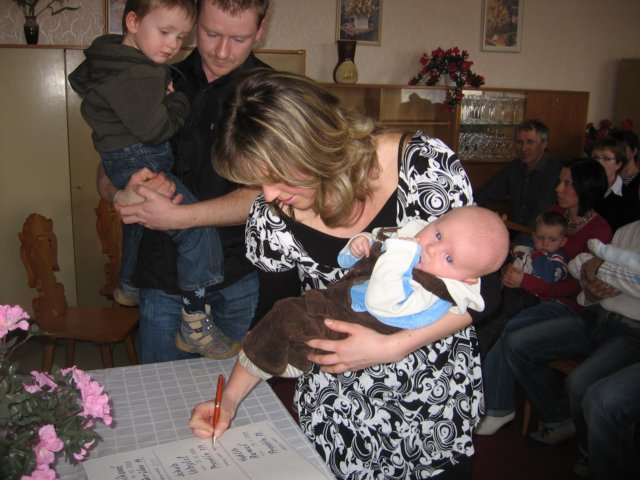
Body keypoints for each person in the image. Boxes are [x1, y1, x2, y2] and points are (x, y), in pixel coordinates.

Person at [190, 69, 502, 479]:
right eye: (257, 182)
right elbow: (274, 319)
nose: (267, 195)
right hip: (340, 420)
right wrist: (228, 401)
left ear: (315, 145)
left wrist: (392, 347)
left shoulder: (421, 166)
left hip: (431, 407)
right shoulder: (271, 219)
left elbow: (488, 288)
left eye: (276, 176)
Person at [96, 0, 271, 363]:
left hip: (238, 276)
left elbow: (271, 194)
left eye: (238, 39)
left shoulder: (273, 93)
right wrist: (118, 194)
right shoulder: (153, 73)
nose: (222, 52)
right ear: (195, 25)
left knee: (232, 391)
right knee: (162, 391)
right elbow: (109, 162)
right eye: (211, 34)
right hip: (162, 278)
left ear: (259, 31)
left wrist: (182, 218)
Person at [222, 206, 508, 391]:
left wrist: (400, 253)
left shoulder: (432, 292)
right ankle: (280, 357)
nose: (432, 249)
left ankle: (271, 359)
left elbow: (382, 299)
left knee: (289, 317)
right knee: (286, 315)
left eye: (449, 258)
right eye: (437, 234)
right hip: (339, 307)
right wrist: (362, 244)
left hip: (361, 337)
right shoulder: (416, 238)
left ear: (467, 280)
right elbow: (367, 252)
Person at [475, 159, 613, 435]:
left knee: (509, 330)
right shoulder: (556, 214)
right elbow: (531, 251)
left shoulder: (599, 231)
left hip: (575, 310)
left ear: (585, 188)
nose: (558, 188)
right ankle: (488, 400)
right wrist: (514, 268)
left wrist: (527, 281)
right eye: (560, 181)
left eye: (567, 183)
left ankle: (501, 407)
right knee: (490, 317)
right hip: (537, 297)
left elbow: (579, 288)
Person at [503, 220, 640, 479]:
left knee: (580, 384)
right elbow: (584, 275)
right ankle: (560, 418)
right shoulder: (627, 230)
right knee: (517, 343)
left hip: (630, 330)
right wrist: (592, 290)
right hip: (595, 315)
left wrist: (600, 267)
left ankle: (592, 452)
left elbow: (626, 279)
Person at [475, 210, 569, 357]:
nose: (545, 243)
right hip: (509, 291)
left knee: (497, 321)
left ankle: (480, 353)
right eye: (540, 238)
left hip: (531, 299)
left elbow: (548, 277)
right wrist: (507, 270)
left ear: (562, 241)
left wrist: (537, 256)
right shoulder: (527, 250)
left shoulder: (557, 260)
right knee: (487, 309)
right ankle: (475, 346)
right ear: (534, 236)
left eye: (552, 240)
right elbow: (510, 260)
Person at [475, 119, 562, 231]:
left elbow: (542, 213)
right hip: (516, 232)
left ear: (544, 144)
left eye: (530, 142)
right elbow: (487, 193)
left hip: (542, 236)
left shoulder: (555, 172)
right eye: (519, 142)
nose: (524, 148)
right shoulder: (513, 168)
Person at [590, 136, 638, 232]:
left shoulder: (630, 198)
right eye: (595, 158)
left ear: (618, 164)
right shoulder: (584, 188)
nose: (599, 163)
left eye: (606, 158)